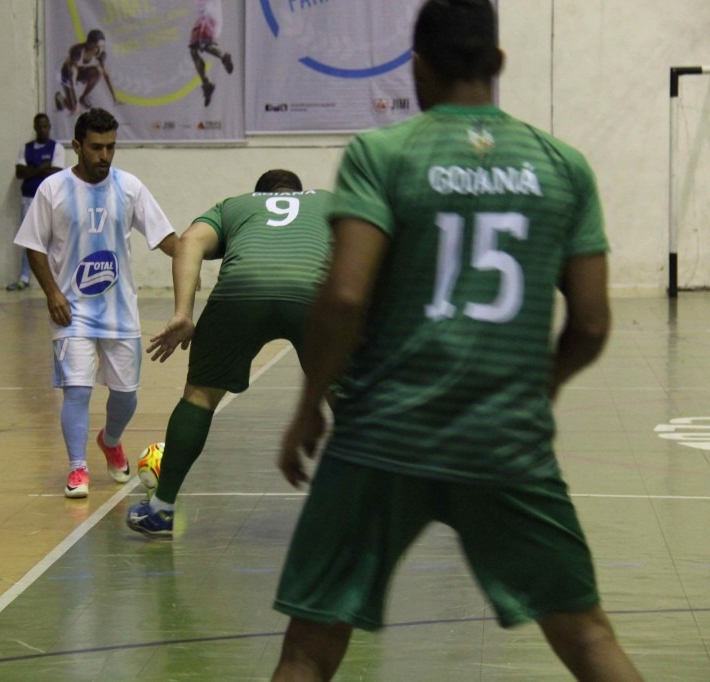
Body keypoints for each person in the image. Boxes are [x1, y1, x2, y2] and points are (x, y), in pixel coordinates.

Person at [270, 2, 643, 680]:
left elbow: (345, 295)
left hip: (382, 438)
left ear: (416, 66)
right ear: (499, 63)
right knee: (586, 638)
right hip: (506, 441)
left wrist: (308, 403)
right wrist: (541, 390)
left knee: (310, 648)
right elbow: (590, 324)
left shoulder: (383, 154)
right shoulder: (563, 166)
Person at [126, 170, 334, 537]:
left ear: (259, 195)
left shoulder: (234, 206)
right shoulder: (328, 202)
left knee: (201, 396)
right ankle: (372, 514)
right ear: (298, 193)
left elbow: (190, 240)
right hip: (313, 293)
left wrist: (183, 312)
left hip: (240, 291)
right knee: (352, 402)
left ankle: (160, 510)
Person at [14, 108, 178, 498]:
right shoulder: (52, 189)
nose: (104, 155)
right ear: (77, 146)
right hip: (71, 311)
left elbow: (166, 236)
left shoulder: (130, 187)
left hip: (120, 311)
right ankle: (77, 468)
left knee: (126, 394)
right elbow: (33, 246)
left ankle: (111, 438)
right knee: (78, 389)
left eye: (111, 147)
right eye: (96, 147)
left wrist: (197, 254)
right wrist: (52, 292)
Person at [8, 113, 66, 291]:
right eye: (39, 126)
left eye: (46, 126)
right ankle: (24, 277)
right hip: (28, 198)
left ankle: (55, 279)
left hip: (51, 200)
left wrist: (32, 170)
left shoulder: (57, 148)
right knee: (30, 240)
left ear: (49, 127)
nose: (42, 129)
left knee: (54, 240)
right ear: (35, 127)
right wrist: (42, 167)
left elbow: (55, 173)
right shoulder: (25, 148)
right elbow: (20, 173)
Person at [54, 29, 120, 115]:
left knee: (99, 70)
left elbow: (106, 75)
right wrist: (76, 103)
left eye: (102, 47)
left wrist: (114, 97)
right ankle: (60, 98)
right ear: (89, 44)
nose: (100, 50)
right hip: (67, 75)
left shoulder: (100, 54)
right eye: (97, 47)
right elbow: (72, 79)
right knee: (73, 108)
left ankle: (83, 97)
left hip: (80, 72)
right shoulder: (77, 52)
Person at [188, 0, 234, 107]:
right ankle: (206, 84)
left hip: (209, 17)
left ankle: (224, 56)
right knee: (193, 50)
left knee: (204, 44)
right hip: (203, 18)